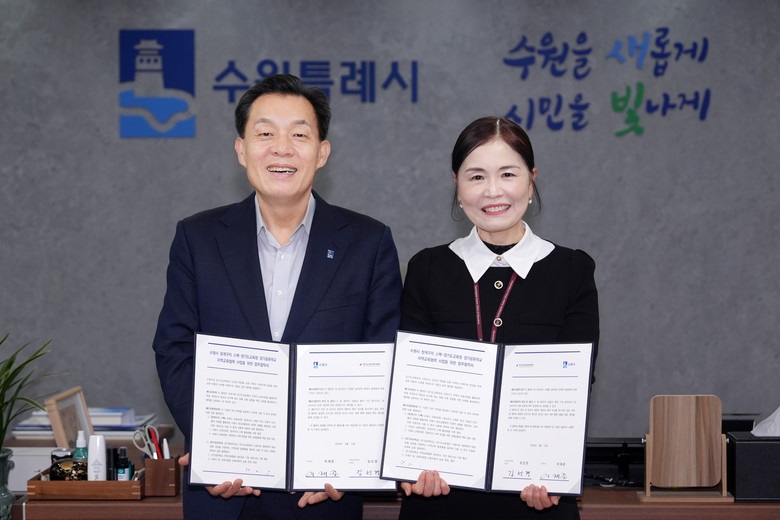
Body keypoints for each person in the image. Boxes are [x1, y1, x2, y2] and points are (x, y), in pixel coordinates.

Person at [152, 74, 402, 520]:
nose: (282, 148)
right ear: (241, 149)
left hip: (322, 494)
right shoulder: (198, 238)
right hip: (225, 493)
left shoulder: (368, 243)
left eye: (299, 135)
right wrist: (215, 446)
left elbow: (385, 358)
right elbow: (175, 349)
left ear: (322, 152)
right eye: (265, 134)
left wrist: (347, 459)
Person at [398, 116, 599, 519]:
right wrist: (411, 466)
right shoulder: (427, 268)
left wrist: (551, 473)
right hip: (441, 497)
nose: (492, 191)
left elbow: (576, 385)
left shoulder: (571, 270)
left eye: (508, 174)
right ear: (457, 185)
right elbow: (410, 387)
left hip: (535, 498)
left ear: (531, 181)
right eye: (476, 177)